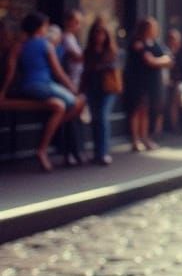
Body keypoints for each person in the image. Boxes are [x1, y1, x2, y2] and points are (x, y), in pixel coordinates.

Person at [0, 11, 85, 172]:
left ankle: (46, 140)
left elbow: (9, 72)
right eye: (45, 26)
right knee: (77, 101)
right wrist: (73, 89)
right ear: (40, 27)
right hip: (43, 85)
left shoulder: (19, 45)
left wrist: (2, 91)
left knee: (59, 105)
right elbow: (58, 72)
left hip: (27, 87)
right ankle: (47, 137)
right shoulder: (46, 45)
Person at [123, 17, 171, 151]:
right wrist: (159, 61)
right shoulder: (137, 43)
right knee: (136, 109)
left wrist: (158, 61)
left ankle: (145, 137)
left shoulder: (155, 43)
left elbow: (168, 59)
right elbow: (150, 61)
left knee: (147, 110)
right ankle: (135, 139)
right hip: (137, 82)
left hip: (152, 83)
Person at [81, 16, 119, 165]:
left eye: (102, 33)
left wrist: (99, 67)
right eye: (97, 33)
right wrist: (81, 89)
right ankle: (97, 152)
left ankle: (103, 152)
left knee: (102, 117)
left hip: (108, 89)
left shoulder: (111, 50)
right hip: (92, 88)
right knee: (95, 119)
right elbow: (85, 71)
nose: (99, 37)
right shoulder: (88, 51)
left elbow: (115, 67)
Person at [57, 9, 85, 165]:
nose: (78, 26)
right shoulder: (66, 38)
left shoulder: (72, 38)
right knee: (71, 118)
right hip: (70, 84)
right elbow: (77, 57)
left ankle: (75, 152)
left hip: (76, 83)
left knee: (75, 119)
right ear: (68, 22)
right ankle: (71, 153)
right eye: (76, 22)